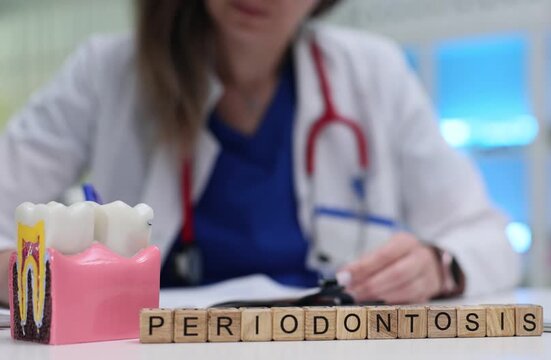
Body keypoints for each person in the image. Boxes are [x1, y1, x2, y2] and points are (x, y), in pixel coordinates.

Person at [0, 0, 519, 305]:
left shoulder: (373, 73)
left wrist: (438, 263)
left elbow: (488, 238)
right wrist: (15, 271)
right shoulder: (107, 74)